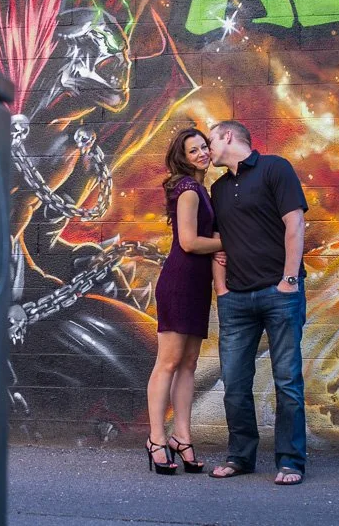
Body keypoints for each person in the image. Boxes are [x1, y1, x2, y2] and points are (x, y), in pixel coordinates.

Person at [206, 121, 308, 485]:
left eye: (211, 140)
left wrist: (289, 280)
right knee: (234, 383)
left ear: (228, 136)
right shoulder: (218, 188)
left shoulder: (275, 168)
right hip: (236, 300)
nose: (207, 148)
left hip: (279, 294)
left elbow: (295, 224)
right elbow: (218, 242)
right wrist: (222, 291)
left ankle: (290, 461)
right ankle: (240, 457)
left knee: (287, 381)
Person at [145, 128, 223, 475]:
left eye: (204, 147)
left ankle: (182, 437)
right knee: (168, 363)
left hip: (196, 285)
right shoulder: (188, 190)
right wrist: (229, 243)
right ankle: (156, 439)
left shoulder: (201, 189)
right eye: (194, 151)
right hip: (179, 283)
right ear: (183, 158)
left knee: (189, 363)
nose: (202, 153)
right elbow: (190, 243)